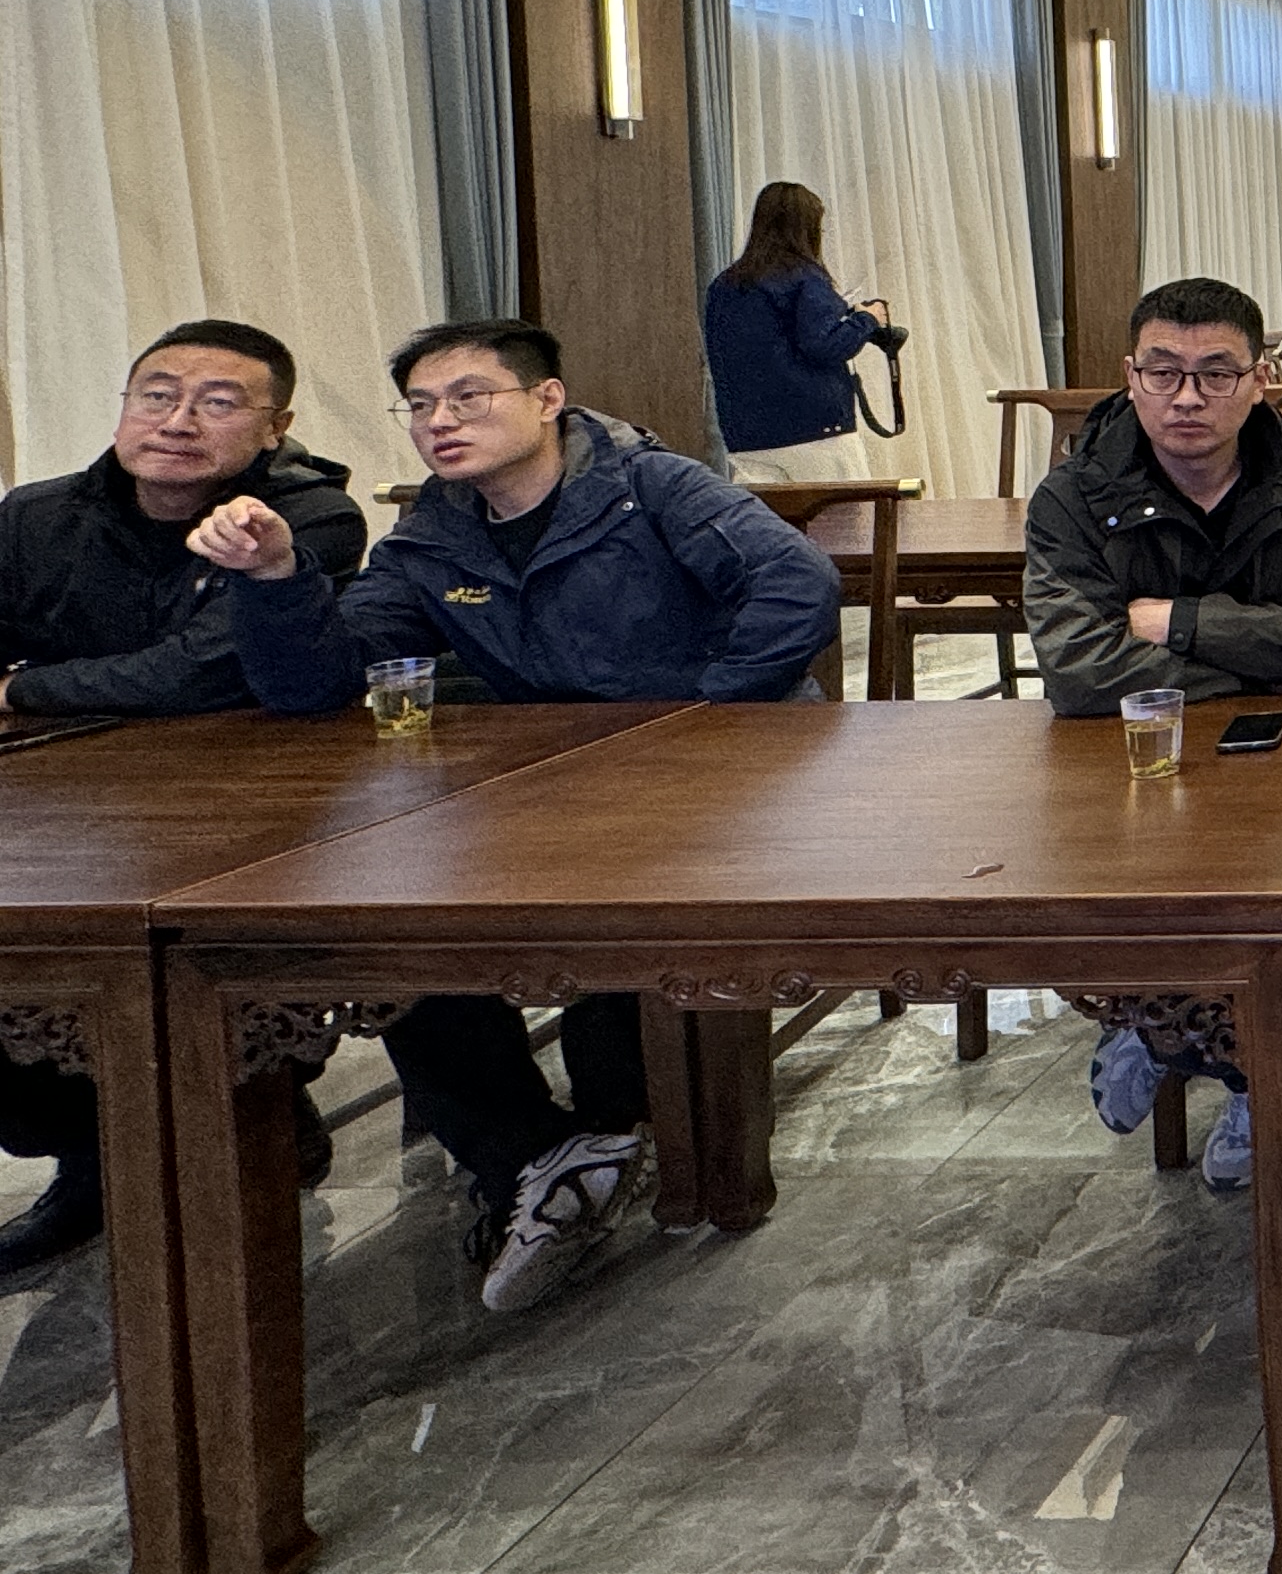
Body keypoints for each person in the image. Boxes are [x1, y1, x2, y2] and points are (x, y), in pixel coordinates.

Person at [190, 319, 842, 1312]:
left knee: (620, 957)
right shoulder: (434, 531)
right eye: (420, 406)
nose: (439, 422)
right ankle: (536, 1160)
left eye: (469, 397)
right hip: (544, 788)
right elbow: (323, 682)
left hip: (708, 782)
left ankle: (609, 1142)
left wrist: (703, 711)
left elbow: (797, 583)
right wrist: (278, 581)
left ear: (547, 400)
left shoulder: (649, 486)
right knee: (401, 942)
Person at [0, 320, 363, 1272]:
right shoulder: (33, 517)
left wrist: (24, 689)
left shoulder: (307, 517)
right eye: (157, 395)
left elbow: (198, 675)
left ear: (276, 427)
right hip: (70, 805)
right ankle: (93, 1155)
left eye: (218, 402)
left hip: (247, 810)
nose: (178, 420)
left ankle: (258, 1107)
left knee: (218, 977)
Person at [1024, 276, 1282, 1191]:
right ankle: (1172, 1028)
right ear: (1130, 377)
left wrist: (1175, 621)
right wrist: (1261, 659)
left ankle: (1194, 1046)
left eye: (1217, 374)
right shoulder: (1075, 496)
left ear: (1260, 381)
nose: (1188, 397)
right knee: (1155, 874)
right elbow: (1080, 673)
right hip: (1134, 766)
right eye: (1165, 372)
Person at [701, 179, 899, 482]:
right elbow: (825, 345)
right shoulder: (805, 278)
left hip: (748, 435)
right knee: (841, 513)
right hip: (817, 431)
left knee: (764, 515)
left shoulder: (724, 286)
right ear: (808, 229)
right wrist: (866, 319)